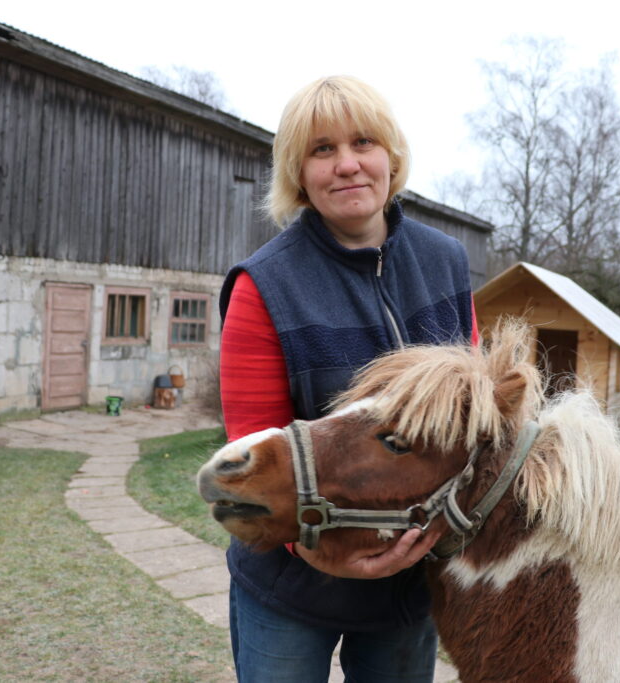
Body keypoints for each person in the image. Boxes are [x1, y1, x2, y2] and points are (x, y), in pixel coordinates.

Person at [218, 75, 478, 683]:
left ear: (391, 156)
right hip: (292, 581)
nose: (347, 165)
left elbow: (473, 417)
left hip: (410, 579)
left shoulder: (446, 262)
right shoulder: (264, 286)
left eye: (363, 142)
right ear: (299, 175)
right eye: (321, 150)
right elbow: (252, 460)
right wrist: (324, 552)